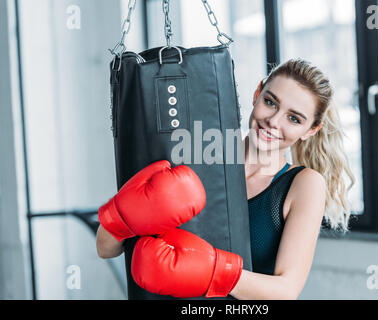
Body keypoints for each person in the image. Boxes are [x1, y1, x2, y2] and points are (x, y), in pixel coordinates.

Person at [96, 58, 355, 300]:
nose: (273, 121)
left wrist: (215, 272)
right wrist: (122, 219)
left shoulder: (303, 184)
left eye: (293, 118)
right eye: (271, 102)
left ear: (311, 130)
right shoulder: (198, 155)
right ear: (257, 94)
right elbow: (105, 249)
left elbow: (286, 290)